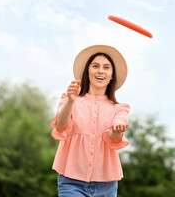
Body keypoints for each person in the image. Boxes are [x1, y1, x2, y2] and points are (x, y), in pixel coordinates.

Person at [50, 45, 130, 197]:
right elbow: (60, 126)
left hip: (106, 184)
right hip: (71, 181)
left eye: (106, 67)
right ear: (88, 71)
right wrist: (71, 101)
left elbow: (114, 137)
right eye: (95, 66)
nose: (101, 70)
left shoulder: (120, 108)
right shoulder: (68, 99)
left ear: (112, 75)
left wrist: (116, 131)